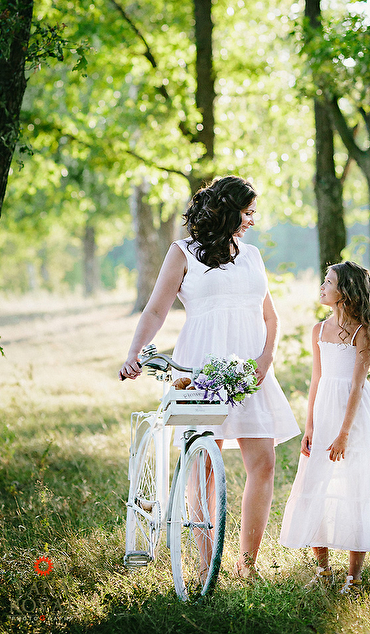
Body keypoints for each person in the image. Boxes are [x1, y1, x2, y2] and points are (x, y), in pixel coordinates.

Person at [120, 175, 300, 580]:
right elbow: (155, 310)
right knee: (202, 465)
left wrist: (266, 360)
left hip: (250, 372)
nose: (252, 220)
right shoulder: (182, 252)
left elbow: (271, 317)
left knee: (264, 462)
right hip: (200, 369)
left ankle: (247, 564)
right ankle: (206, 564)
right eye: (247, 212)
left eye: (253, 213)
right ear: (227, 211)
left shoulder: (252, 256)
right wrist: (134, 353)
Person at [279, 261, 370, 594]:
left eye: (328, 282)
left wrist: (344, 433)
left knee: (355, 489)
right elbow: (316, 380)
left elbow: (357, 386)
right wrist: (310, 426)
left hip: (355, 416)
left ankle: (354, 578)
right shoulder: (318, 330)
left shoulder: (362, 332)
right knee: (314, 483)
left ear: (345, 292)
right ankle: (323, 570)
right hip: (324, 412)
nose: (322, 287)